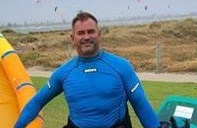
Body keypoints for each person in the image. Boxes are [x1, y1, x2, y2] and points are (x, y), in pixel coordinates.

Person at [14, 12, 160, 128]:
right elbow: (37, 102)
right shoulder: (64, 72)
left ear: (99, 34)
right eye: (81, 33)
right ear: (73, 38)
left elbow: (140, 104)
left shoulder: (121, 67)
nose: (86, 37)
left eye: (91, 31)